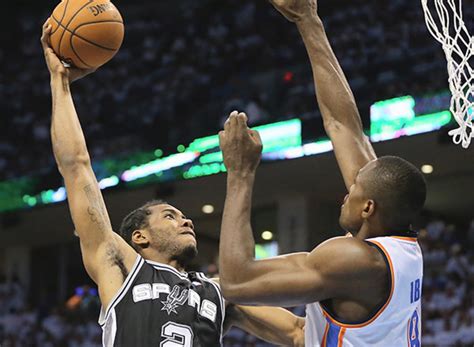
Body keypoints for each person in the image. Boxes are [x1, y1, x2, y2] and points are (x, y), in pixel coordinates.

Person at [40, 21, 305, 347]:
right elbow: (76, 168)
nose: (187, 220)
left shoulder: (222, 291)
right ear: (140, 237)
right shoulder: (121, 265)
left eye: (180, 216)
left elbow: (298, 332)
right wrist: (60, 82)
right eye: (170, 216)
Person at [218, 0, 426, 346]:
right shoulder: (395, 245)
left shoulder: (356, 262)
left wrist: (240, 173)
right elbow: (344, 126)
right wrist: (307, 20)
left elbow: (237, 281)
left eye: (354, 188)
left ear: (368, 207)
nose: (347, 190)